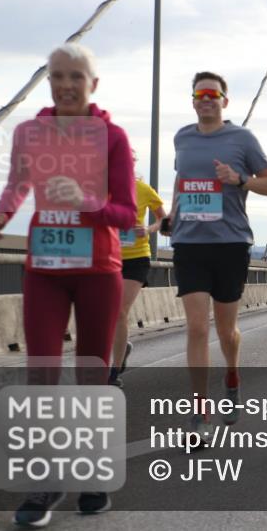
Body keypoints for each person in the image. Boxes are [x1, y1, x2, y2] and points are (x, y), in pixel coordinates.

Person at [0, 43, 136, 524]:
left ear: (93, 84)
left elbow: (127, 214)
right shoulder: (30, 132)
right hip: (45, 269)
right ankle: (44, 484)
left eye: (75, 76)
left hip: (98, 270)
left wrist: (88, 202)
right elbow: (18, 185)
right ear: (48, 82)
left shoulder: (112, 136)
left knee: (92, 376)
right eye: (57, 76)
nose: (66, 84)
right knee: (41, 374)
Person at [163, 71, 267, 439]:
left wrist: (240, 180)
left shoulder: (242, 139)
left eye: (213, 93)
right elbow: (182, 184)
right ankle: (199, 412)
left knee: (227, 331)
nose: (206, 99)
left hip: (230, 244)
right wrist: (172, 215)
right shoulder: (182, 137)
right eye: (200, 93)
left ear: (224, 101)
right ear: (193, 100)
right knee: (197, 328)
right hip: (189, 244)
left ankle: (232, 374)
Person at [110, 156, 167, 388]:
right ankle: (121, 350)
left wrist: (148, 228)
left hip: (136, 258)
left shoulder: (143, 189)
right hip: (107, 257)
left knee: (119, 310)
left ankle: (113, 372)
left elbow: (164, 220)